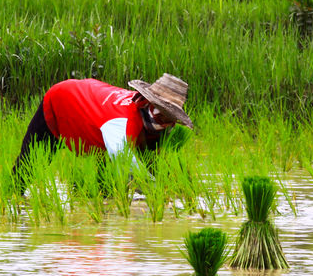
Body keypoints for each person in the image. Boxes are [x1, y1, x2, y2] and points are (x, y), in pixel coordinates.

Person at [11, 73, 193, 189]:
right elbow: (131, 169)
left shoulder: (152, 119)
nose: (168, 125)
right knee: (29, 167)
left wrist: (178, 186)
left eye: (172, 119)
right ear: (147, 103)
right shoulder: (121, 124)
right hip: (64, 100)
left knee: (104, 184)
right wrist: (158, 192)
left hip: (95, 108)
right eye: (164, 116)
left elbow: (155, 164)